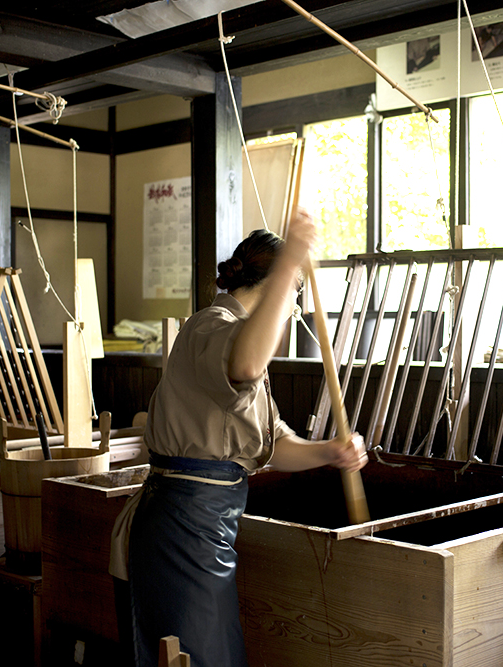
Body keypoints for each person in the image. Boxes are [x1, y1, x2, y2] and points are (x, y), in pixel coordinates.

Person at [109, 209, 368, 667]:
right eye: (292, 297)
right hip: (180, 524)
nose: (293, 311)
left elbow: (270, 446)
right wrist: (291, 265)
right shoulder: (209, 327)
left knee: (215, 655)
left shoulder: (242, 343)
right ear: (277, 289)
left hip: (208, 525)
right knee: (200, 658)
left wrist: (331, 451)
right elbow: (245, 364)